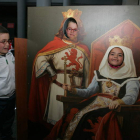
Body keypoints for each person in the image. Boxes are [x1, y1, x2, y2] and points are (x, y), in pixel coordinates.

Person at [45, 45, 140, 140]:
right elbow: (89, 92)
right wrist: (72, 90)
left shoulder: (131, 78)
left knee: (92, 118)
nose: (115, 57)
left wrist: (118, 102)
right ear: (108, 56)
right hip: (94, 102)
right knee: (73, 110)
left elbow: (131, 97)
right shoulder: (100, 74)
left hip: (112, 107)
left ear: (125, 58)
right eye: (112, 54)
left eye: (120, 55)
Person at [28, 9, 90, 128]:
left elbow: (87, 72)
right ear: (64, 29)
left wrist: (86, 91)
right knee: (58, 120)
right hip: (58, 86)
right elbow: (40, 59)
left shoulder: (84, 49)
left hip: (78, 88)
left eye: (75, 29)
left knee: (74, 121)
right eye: (69, 29)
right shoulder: (54, 45)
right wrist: (51, 72)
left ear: (79, 30)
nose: (72, 32)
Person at [0, 26, 15, 140]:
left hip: (11, 97)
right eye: (3, 41)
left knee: (8, 123)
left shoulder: (11, 55)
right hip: (0, 100)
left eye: (8, 41)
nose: (6, 45)